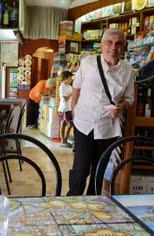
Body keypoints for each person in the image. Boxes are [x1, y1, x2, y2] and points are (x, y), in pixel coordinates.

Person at [67, 28, 134, 196]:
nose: (113, 47)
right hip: (84, 123)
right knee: (81, 169)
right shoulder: (88, 62)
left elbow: (129, 99)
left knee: (99, 169)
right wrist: (74, 110)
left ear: (124, 47)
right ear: (102, 45)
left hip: (107, 127)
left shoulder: (128, 71)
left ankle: (92, 204)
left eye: (119, 44)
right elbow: (76, 87)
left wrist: (121, 107)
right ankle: (72, 202)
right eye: (109, 42)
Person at [58, 71, 74, 148]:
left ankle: (64, 140)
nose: (71, 79)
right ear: (65, 78)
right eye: (70, 78)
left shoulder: (69, 86)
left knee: (67, 124)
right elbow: (65, 98)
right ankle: (63, 141)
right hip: (64, 108)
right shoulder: (63, 86)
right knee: (65, 124)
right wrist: (73, 93)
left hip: (69, 108)